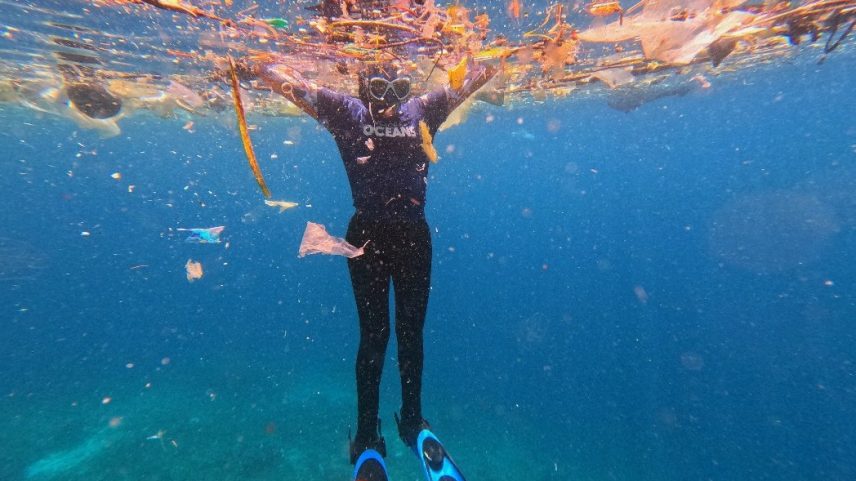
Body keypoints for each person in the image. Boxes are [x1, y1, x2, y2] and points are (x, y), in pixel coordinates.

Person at [243, 55, 496, 464]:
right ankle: (370, 431)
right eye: (379, 89)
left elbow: (473, 80)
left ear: (409, 87)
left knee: (407, 333)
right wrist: (257, 68)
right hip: (380, 239)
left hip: (401, 236)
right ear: (362, 86)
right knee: (377, 336)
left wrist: (259, 69)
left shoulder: (408, 109)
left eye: (398, 90)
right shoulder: (353, 110)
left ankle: (408, 423)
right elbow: (295, 88)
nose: (389, 102)